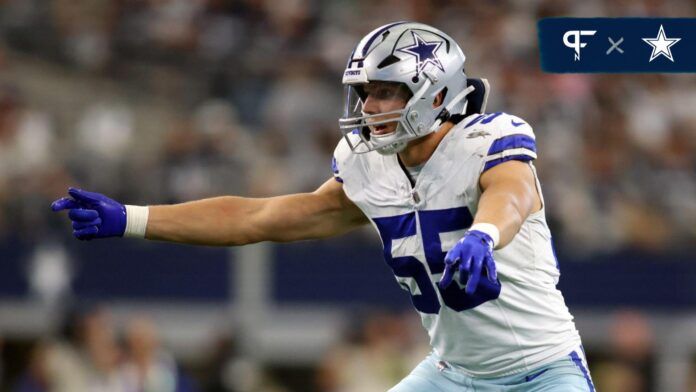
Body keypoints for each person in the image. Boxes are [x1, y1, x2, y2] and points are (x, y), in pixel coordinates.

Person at [53, 22, 594, 391]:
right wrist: (134, 219)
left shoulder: (488, 137)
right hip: (452, 373)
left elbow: (512, 192)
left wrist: (484, 235)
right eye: (365, 93)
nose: (369, 107)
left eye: (386, 92)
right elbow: (257, 218)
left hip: (540, 371)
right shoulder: (368, 166)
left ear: (435, 94)